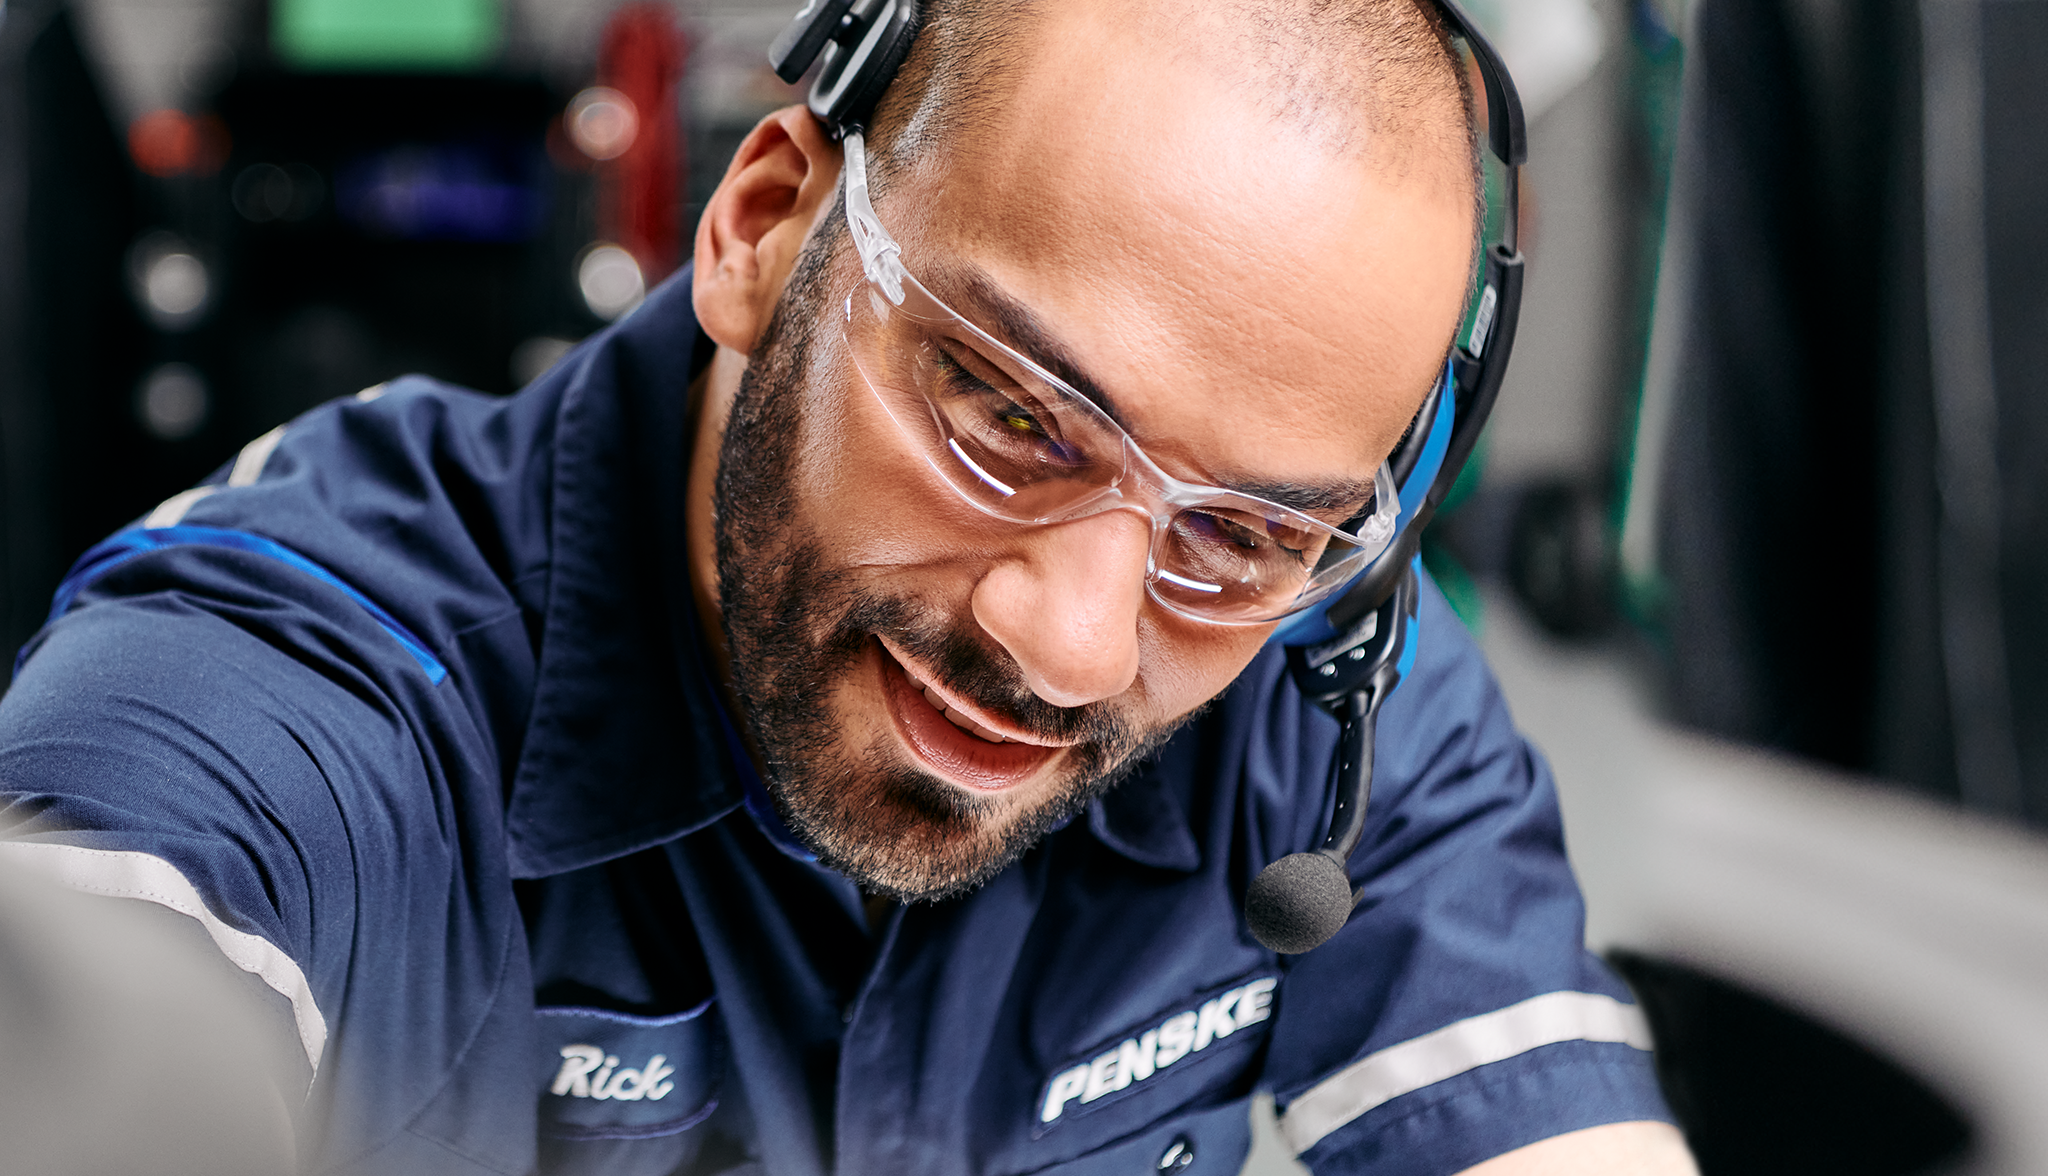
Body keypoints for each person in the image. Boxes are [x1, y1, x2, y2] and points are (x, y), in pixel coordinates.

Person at [0, 0, 1698, 1172]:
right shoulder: (320, 683)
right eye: (1011, 415)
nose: (1075, 638)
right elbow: (124, 929)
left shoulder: (1315, 688)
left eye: (1239, 533)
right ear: (763, 223)